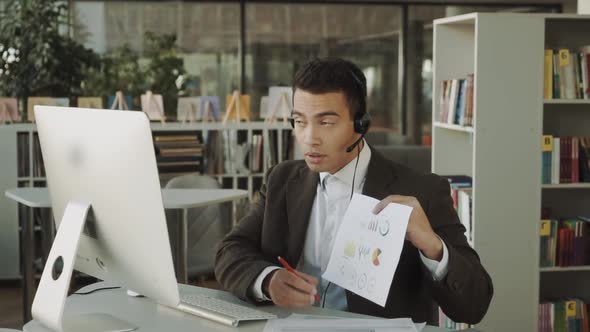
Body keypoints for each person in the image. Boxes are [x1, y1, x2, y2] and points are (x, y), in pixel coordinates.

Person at [215, 57, 493, 325]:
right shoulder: (282, 179)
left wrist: (432, 246)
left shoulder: (422, 190)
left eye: (326, 122)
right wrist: (267, 279)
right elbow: (231, 250)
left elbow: (474, 306)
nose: (309, 138)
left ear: (360, 125)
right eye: (300, 121)